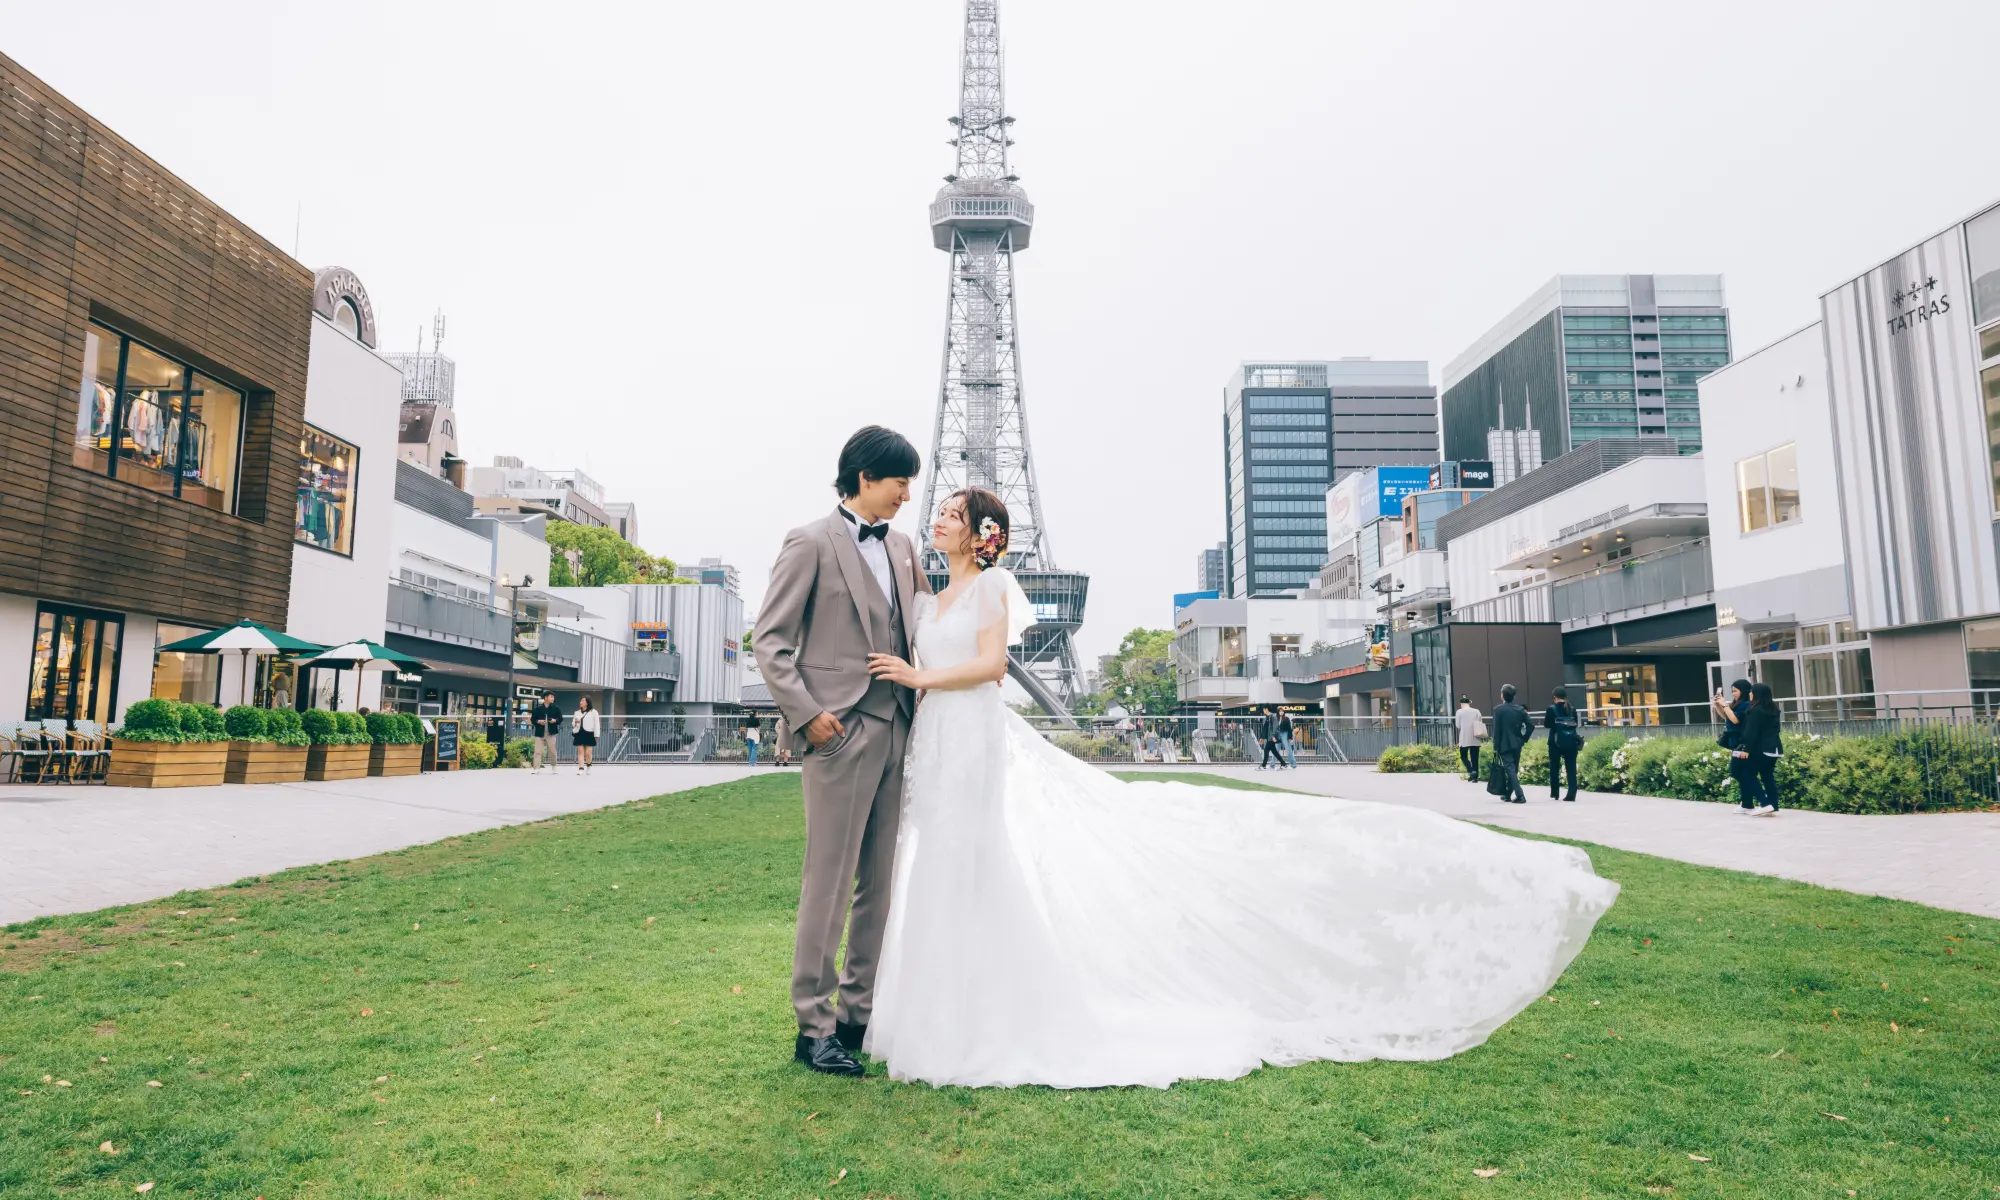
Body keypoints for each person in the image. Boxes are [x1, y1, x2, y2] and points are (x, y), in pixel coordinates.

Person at [857, 490, 1618, 1089]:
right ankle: (937, 1015)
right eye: (944, 513)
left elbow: (992, 670)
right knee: (934, 866)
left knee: (973, 861)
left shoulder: (993, 591)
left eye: (956, 515)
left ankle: (984, 1019)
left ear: (984, 533)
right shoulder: (926, 601)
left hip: (972, 737)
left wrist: (919, 675)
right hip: (936, 741)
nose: (943, 521)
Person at [753, 425, 931, 1078]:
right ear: (863, 478)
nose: (906, 495)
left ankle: (858, 1014)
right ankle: (813, 1027)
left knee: (879, 887)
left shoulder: (906, 547)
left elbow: (925, 626)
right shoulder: (809, 542)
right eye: (898, 482)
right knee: (827, 886)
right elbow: (769, 642)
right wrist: (810, 718)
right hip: (839, 734)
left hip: (899, 732)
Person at [1733, 682, 1783, 816]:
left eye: (1751, 692)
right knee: (1767, 777)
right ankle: (1774, 805)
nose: (1749, 694)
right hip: (1775, 749)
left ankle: (1765, 803)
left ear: (1756, 694)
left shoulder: (1755, 710)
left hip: (1761, 749)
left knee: (1747, 775)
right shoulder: (1774, 709)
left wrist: (1746, 749)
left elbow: (1752, 732)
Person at [1712, 679, 1754, 810]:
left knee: (1737, 771)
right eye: (1732, 691)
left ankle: (1749, 802)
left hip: (1742, 743)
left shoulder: (1747, 704)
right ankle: (1746, 803)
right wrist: (1718, 705)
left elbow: (1735, 720)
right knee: (1740, 772)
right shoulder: (1737, 703)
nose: (1734, 694)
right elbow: (1727, 717)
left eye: (1735, 691)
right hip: (1735, 742)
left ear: (1744, 691)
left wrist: (1724, 705)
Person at [1489, 684, 1532, 804]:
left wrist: (1495, 747)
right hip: (1517, 743)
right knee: (1514, 769)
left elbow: (1496, 730)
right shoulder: (1520, 710)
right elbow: (1531, 725)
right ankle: (1507, 794)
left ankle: (1520, 795)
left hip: (1504, 744)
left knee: (1510, 769)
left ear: (1502, 695)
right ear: (1514, 696)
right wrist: (1524, 739)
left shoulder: (1498, 710)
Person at [1544, 687, 1582, 802]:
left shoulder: (1551, 709)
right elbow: (1575, 724)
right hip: (1570, 741)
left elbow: (1547, 724)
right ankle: (1571, 794)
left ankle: (1555, 793)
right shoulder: (1572, 709)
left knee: (1554, 767)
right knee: (1571, 768)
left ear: (1555, 697)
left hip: (1555, 742)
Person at [1454, 696, 1486, 781]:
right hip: (1475, 736)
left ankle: (1471, 771)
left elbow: (1458, 725)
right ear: (1469, 703)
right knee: (1474, 757)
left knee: (1463, 756)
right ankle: (1475, 777)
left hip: (1464, 737)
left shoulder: (1459, 712)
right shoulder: (1476, 711)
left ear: (1461, 704)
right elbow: (1480, 722)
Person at [530, 691, 562, 773]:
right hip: (539, 733)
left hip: (551, 733)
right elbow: (532, 720)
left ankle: (554, 767)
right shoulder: (537, 709)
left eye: (553, 697)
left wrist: (555, 720)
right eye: (551, 697)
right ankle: (536, 768)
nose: (553, 698)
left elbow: (560, 719)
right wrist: (538, 721)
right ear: (545, 698)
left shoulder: (556, 708)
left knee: (552, 751)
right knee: (537, 751)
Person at [570, 696, 599, 773]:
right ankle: (581, 768)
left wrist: (596, 735)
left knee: (588, 753)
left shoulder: (594, 712)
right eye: (580, 701)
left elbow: (597, 724)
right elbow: (573, 723)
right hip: (579, 732)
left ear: (587, 703)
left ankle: (589, 766)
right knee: (580, 752)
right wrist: (575, 723)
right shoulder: (577, 712)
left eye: (582, 701)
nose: (580, 702)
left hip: (589, 733)